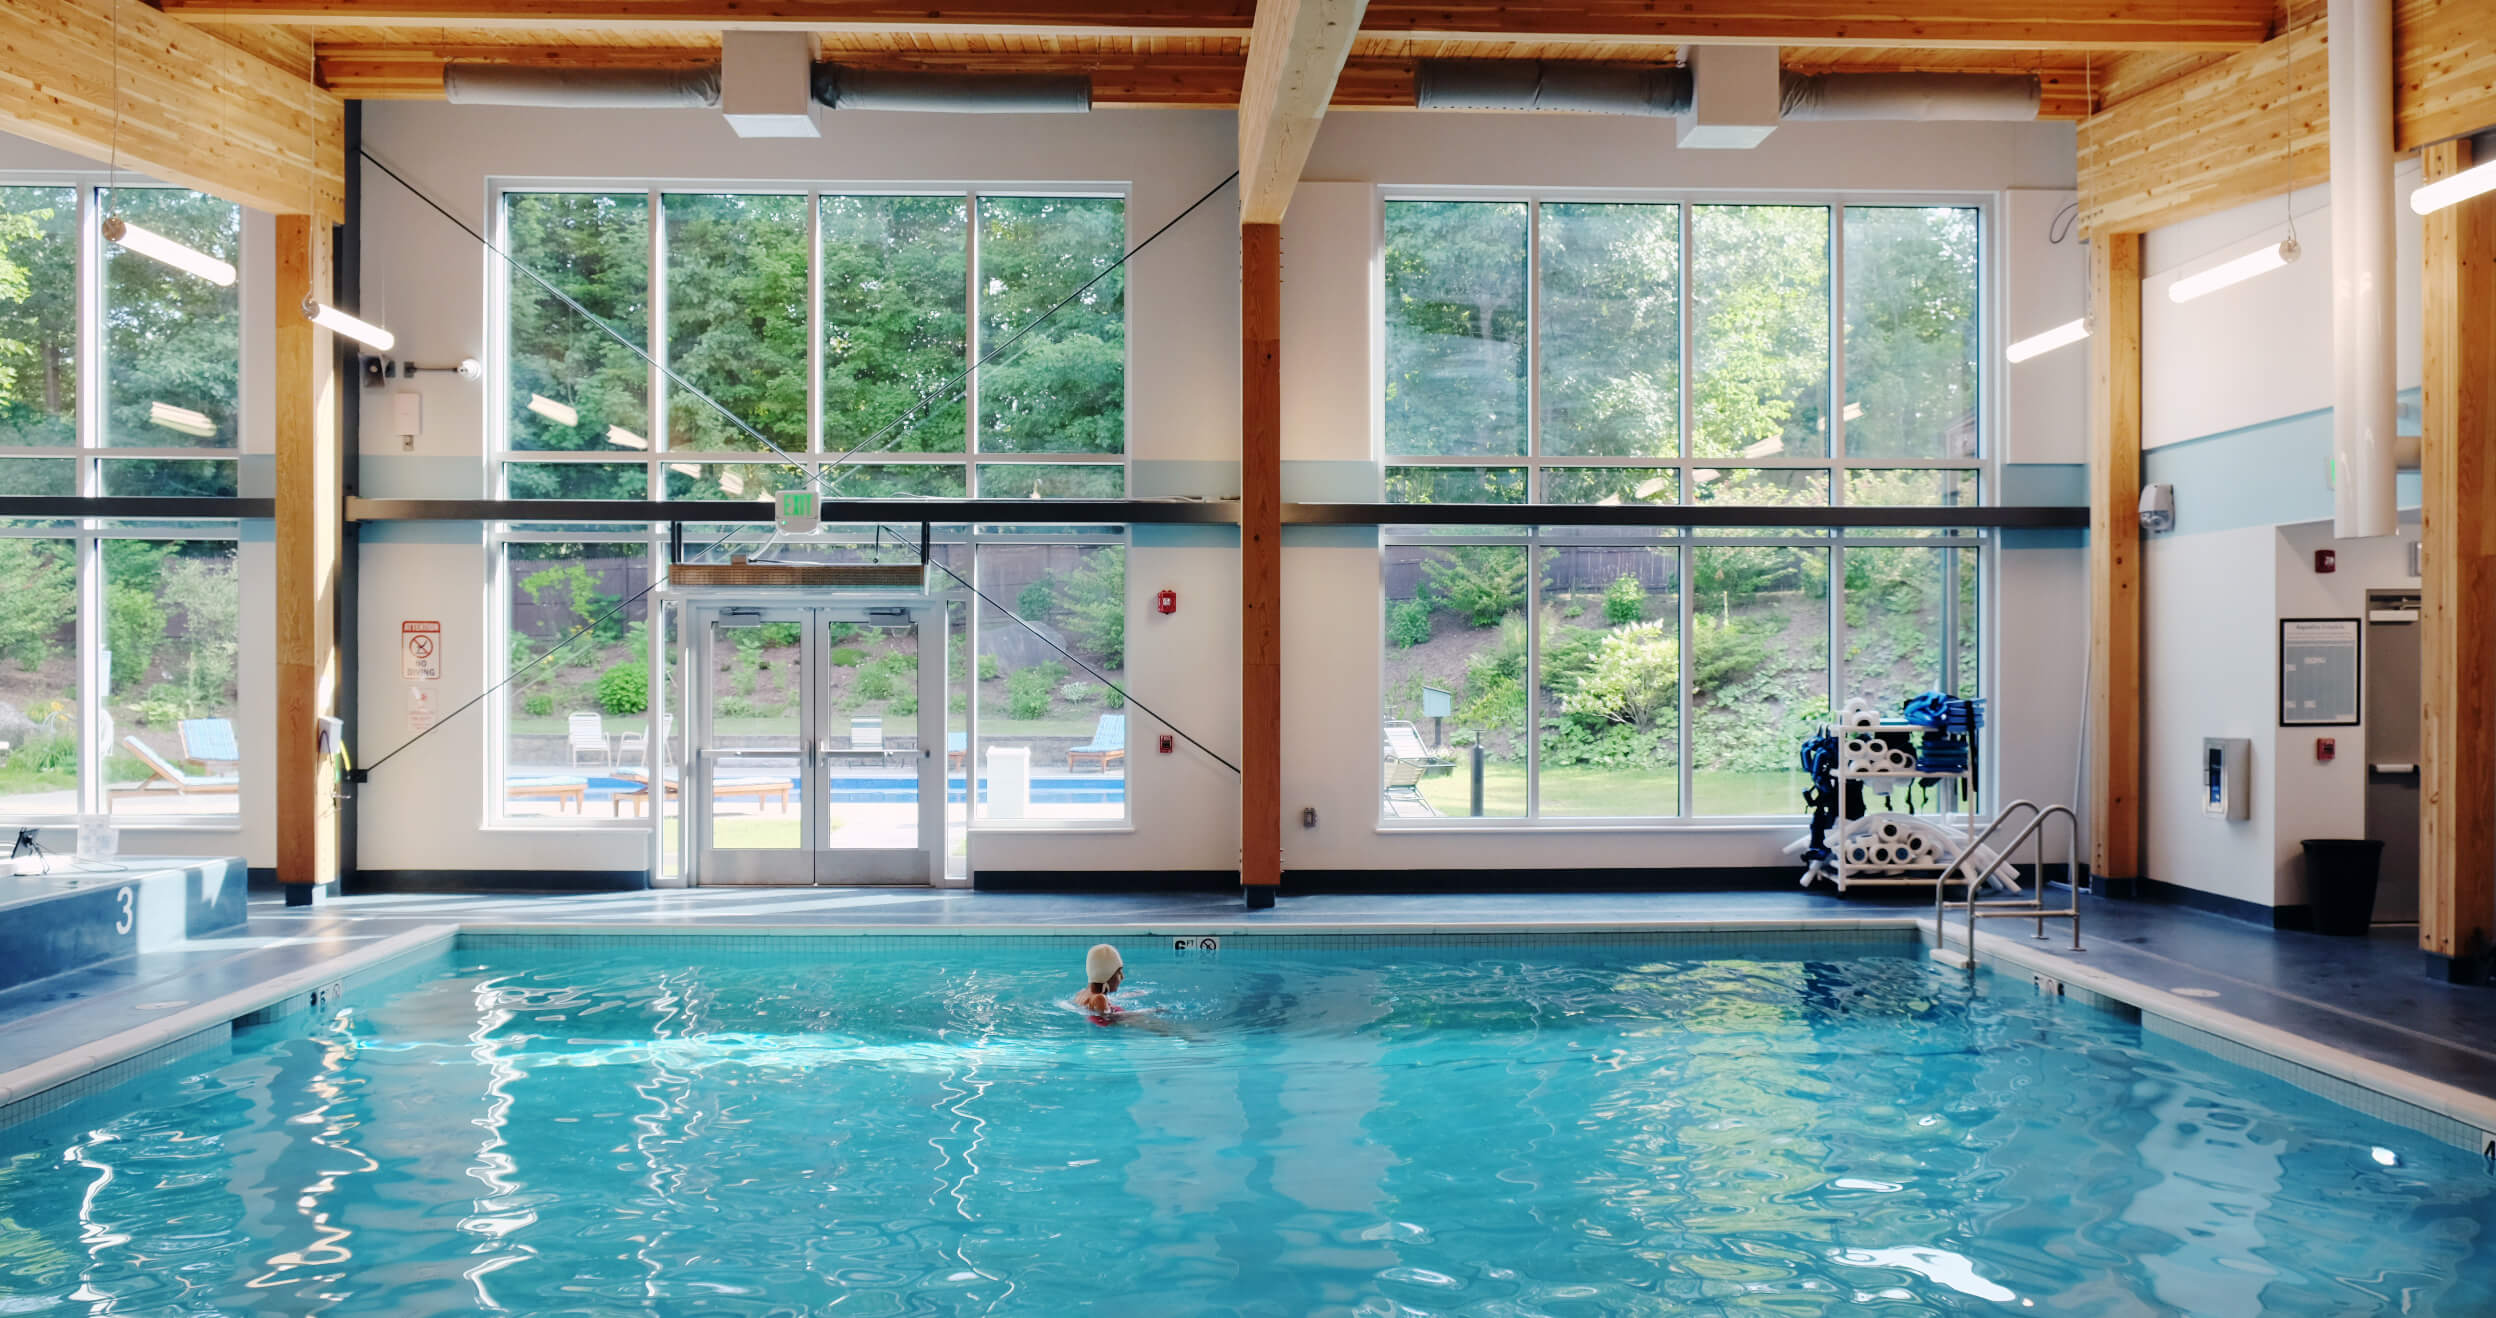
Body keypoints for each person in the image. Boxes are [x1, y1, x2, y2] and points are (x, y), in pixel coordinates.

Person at [1073, 944, 1126, 1023]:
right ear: (1107, 974)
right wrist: (1146, 1012)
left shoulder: (1081, 994)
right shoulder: (1099, 999)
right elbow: (1110, 1019)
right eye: (1119, 972)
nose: (1122, 977)